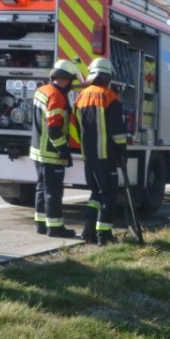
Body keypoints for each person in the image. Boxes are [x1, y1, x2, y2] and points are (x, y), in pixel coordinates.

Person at [75, 57, 128, 245]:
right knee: (108, 194)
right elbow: (118, 132)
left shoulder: (81, 97)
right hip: (106, 155)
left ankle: (87, 231)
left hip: (88, 155)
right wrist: (122, 152)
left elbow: (78, 127)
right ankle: (103, 236)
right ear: (106, 77)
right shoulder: (110, 97)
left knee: (95, 193)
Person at [30, 59, 78, 237]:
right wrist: (63, 149)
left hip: (37, 150)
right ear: (66, 79)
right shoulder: (57, 97)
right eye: (71, 81)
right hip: (51, 153)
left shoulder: (42, 90)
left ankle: (41, 224)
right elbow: (54, 128)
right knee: (53, 192)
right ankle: (55, 227)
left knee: (42, 188)